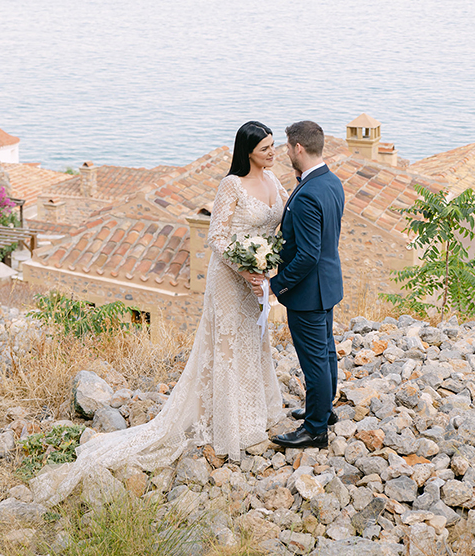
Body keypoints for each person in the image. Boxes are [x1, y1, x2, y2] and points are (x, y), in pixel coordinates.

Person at [31, 121, 288, 506]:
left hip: (257, 281)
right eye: (266, 147)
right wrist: (247, 267)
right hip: (229, 279)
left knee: (254, 339)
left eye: (274, 146)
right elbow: (216, 238)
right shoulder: (231, 185)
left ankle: (254, 413)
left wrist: (268, 268)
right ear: (248, 150)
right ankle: (228, 426)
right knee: (227, 346)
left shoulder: (275, 182)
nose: (273, 152)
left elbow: (278, 229)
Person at [270, 120, 344, 450]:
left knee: (314, 360)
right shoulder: (331, 182)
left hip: (307, 293)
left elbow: (308, 254)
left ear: (298, 148)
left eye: (287, 147)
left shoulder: (307, 196)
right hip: (327, 285)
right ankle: (323, 411)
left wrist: (279, 285)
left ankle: (315, 430)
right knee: (326, 352)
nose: (285, 152)